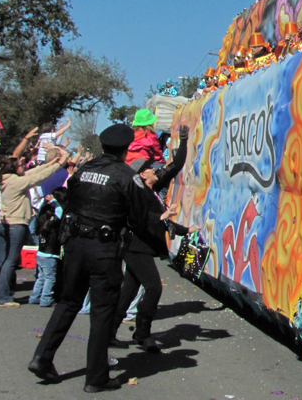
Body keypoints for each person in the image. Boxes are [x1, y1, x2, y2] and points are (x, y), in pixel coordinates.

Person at [28, 124, 153, 393]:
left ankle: (42, 356)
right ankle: (96, 377)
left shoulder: (84, 170)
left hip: (74, 245)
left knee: (68, 302)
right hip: (104, 250)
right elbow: (139, 218)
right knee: (102, 311)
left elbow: (68, 199)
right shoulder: (126, 176)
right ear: (127, 147)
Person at [111, 125, 193, 352]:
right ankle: (143, 333)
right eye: (149, 168)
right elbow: (137, 217)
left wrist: (184, 142)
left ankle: (110, 330)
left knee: (129, 290)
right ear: (141, 173)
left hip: (145, 246)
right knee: (154, 288)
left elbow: (174, 166)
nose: (155, 169)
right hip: (135, 246)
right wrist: (162, 215)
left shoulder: (152, 188)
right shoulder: (135, 191)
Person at [0, 150, 68, 306]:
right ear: (14, 169)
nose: (23, 166)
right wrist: (60, 164)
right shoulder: (17, 182)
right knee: (10, 261)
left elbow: (34, 172)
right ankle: (2, 297)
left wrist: (52, 163)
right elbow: (39, 177)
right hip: (15, 224)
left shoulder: (7, 179)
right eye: (20, 165)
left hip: (4, 222)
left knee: (1, 259)